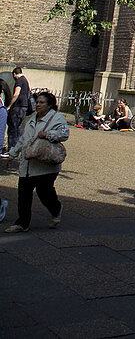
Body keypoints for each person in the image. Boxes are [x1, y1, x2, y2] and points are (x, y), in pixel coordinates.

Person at [4, 90, 69, 233]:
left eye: (41, 102)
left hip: (45, 164)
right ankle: (22, 223)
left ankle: (56, 210)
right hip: (27, 164)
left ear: (50, 105)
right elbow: (23, 140)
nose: (38, 105)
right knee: (23, 193)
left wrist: (48, 134)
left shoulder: (57, 118)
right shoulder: (31, 118)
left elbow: (64, 134)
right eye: (37, 102)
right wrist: (12, 154)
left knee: (44, 192)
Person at [4, 67, 32, 152]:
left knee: (13, 128)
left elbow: (16, 93)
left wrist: (9, 105)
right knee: (18, 129)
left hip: (18, 107)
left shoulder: (19, 81)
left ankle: (12, 149)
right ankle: (17, 148)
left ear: (14, 74)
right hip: (24, 107)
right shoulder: (25, 81)